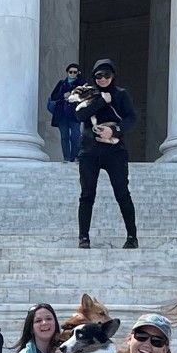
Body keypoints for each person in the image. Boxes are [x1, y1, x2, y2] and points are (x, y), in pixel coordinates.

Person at [75, 57, 138, 250]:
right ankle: (83, 237)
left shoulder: (121, 94)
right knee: (87, 195)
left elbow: (131, 118)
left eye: (106, 75)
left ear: (113, 75)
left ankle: (132, 236)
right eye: (98, 76)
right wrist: (101, 100)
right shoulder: (87, 95)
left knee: (122, 193)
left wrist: (115, 131)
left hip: (115, 151)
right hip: (90, 151)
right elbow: (80, 115)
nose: (102, 79)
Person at [47, 62, 83, 163]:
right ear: (67, 72)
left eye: (75, 72)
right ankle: (66, 157)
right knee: (64, 136)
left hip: (75, 115)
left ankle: (74, 157)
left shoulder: (81, 84)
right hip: (62, 114)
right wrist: (62, 95)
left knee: (75, 136)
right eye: (70, 72)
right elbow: (53, 96)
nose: (72, 74)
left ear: (78, 73)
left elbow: (85, 97)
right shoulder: (61, 83)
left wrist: (72, 95)